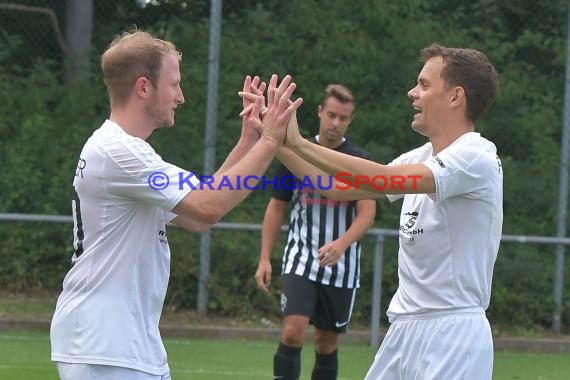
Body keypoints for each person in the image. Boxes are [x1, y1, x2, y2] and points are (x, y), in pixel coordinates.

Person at [49, 30, 302, 380]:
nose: (181, 97)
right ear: (143, 88)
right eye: (174, 84)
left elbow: (199, 215)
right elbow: (209, 205)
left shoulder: (127, 153)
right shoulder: (120, 152)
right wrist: (272, 139)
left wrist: (250, 141)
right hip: (105, 345)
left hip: (124, 345)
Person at [244, 42, 502, 379]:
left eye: (424, 85)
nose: (413, 92)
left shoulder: (476, 156)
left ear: (456, 97)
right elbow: (333, 187)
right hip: (404, 330)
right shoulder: (421, 156)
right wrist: (275, 139)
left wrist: (300, 143)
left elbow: (387, 179)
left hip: (452, 335)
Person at [254, 85, 377, 380]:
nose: (335, 123)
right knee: (293, 331)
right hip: (301, 257)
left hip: (341, 266)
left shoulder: (358, 159)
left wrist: (342, 243)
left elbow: (367, 212)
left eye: (343, 118)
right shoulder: (297, 154)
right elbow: (276, 207)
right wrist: (264, 258)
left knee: (326, 343)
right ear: (320, 112)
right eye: (331, 114)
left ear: (351, 120)